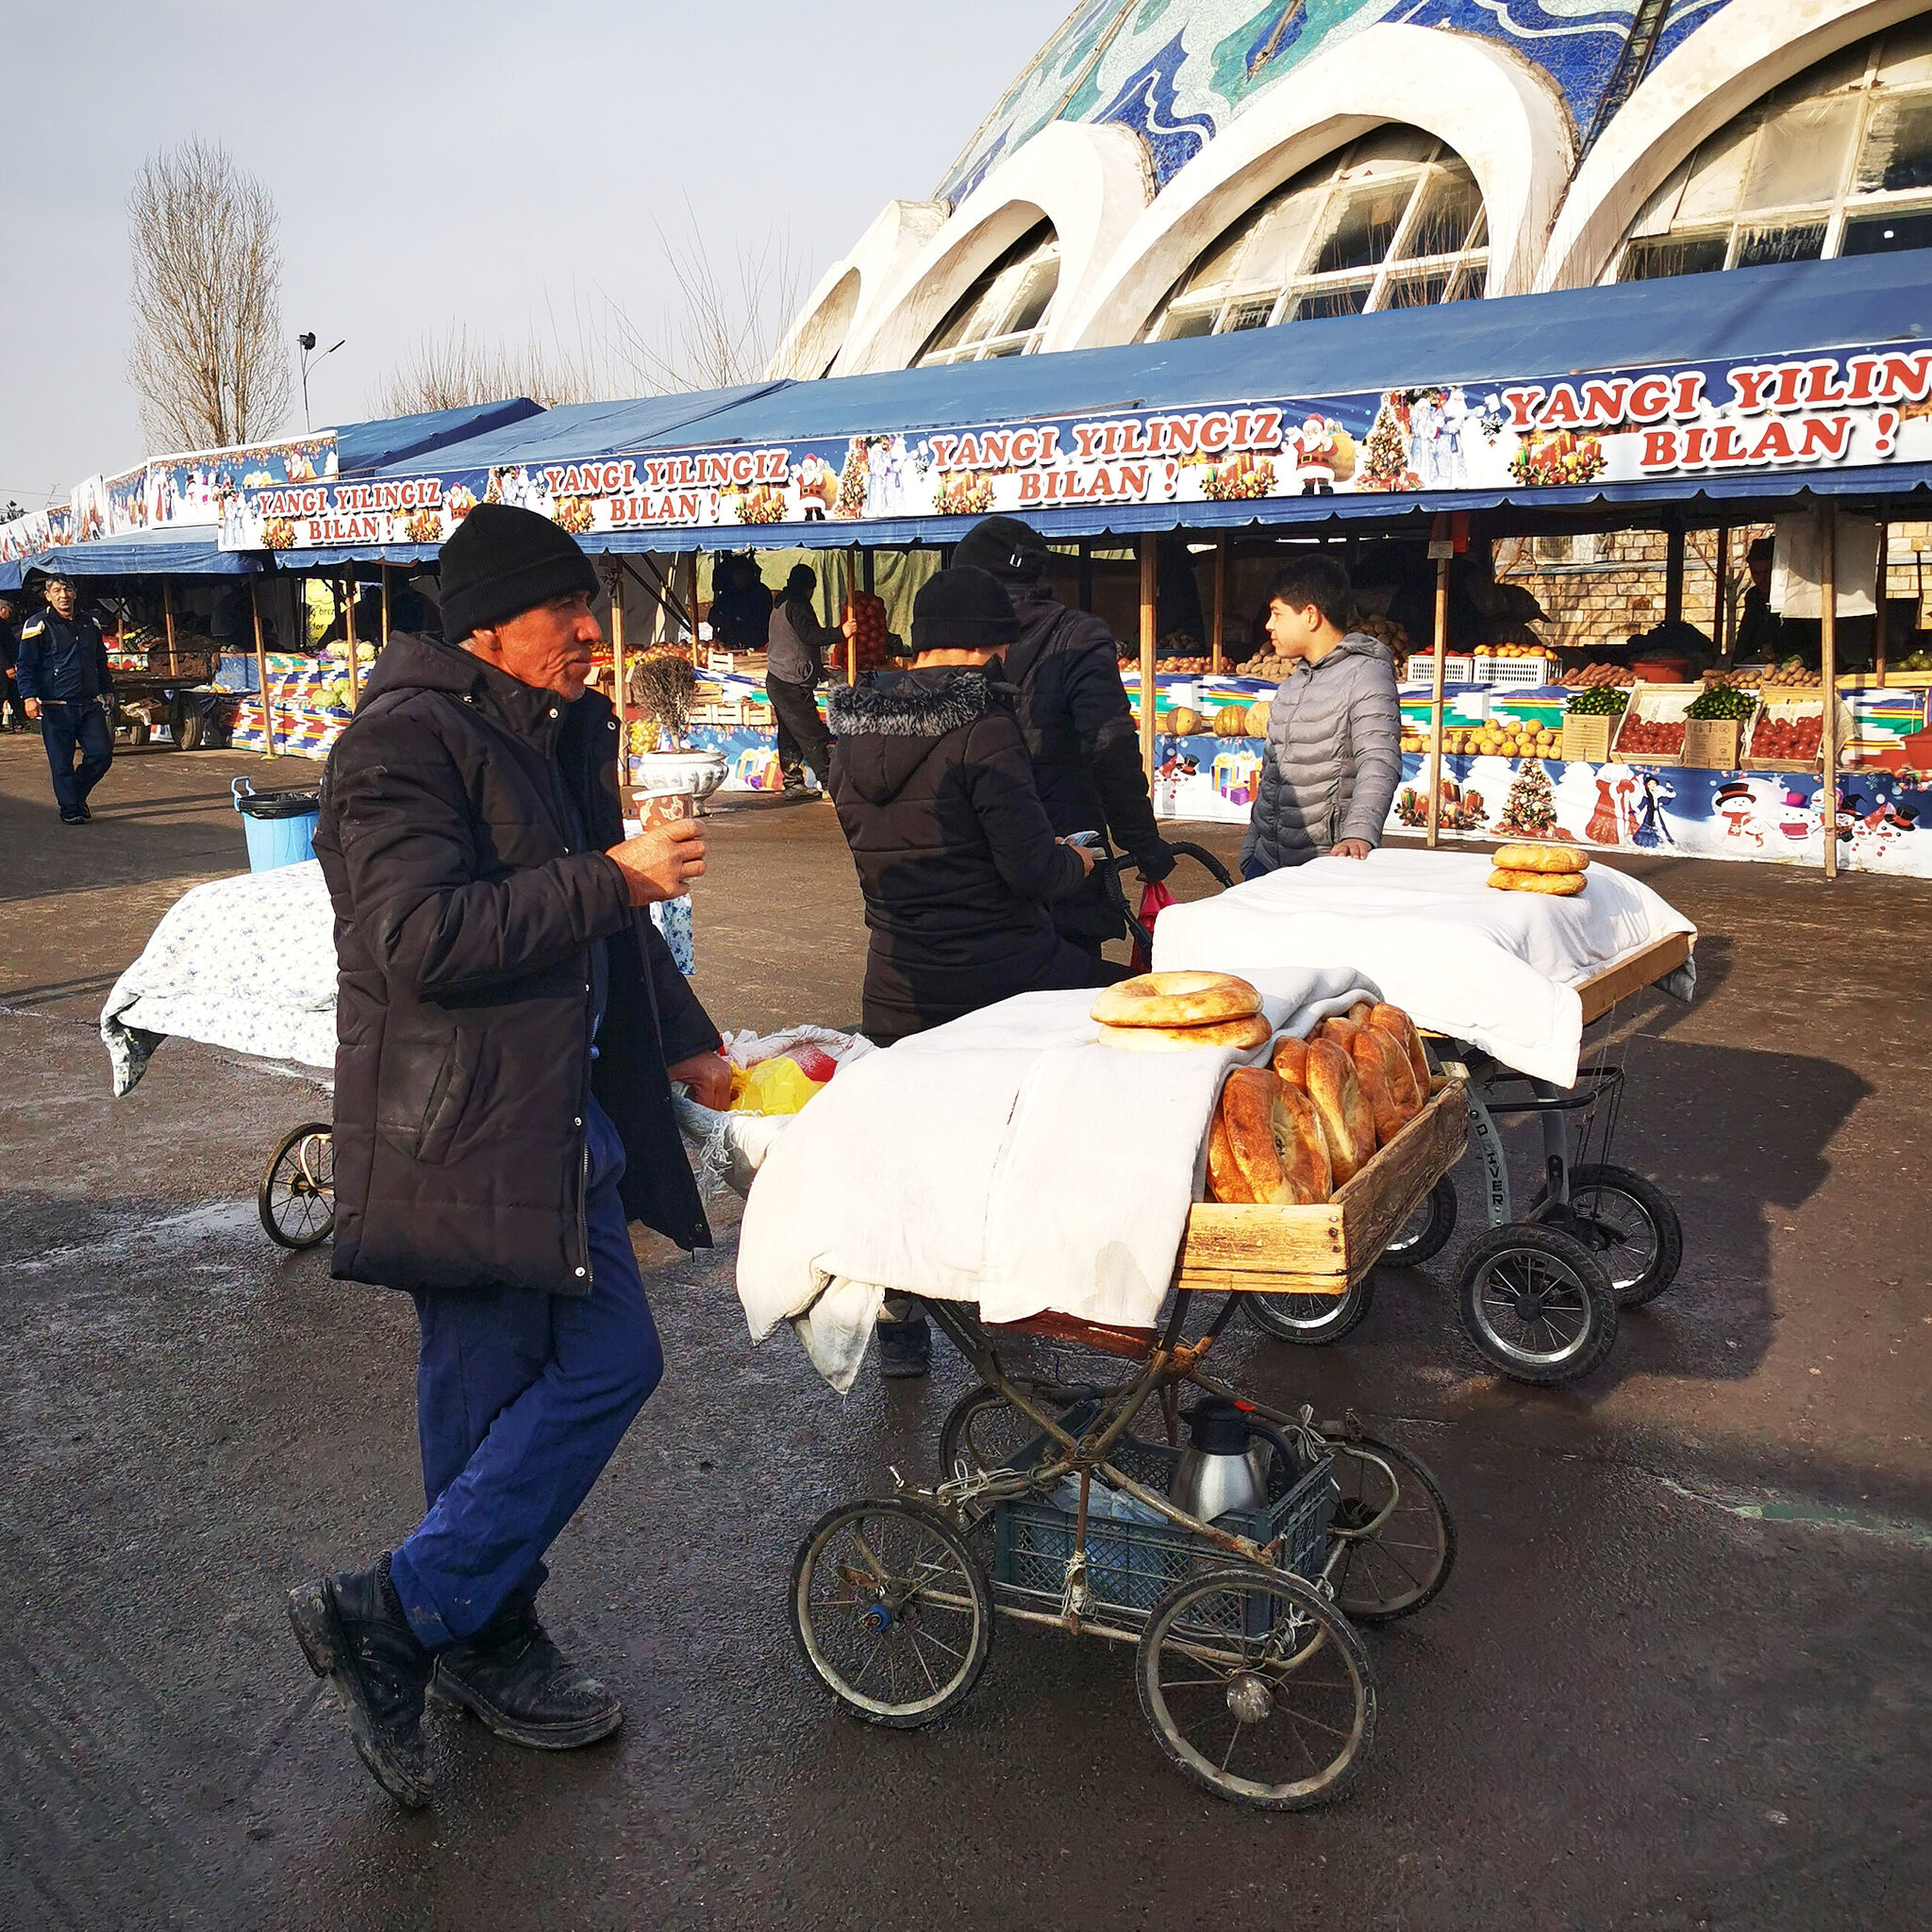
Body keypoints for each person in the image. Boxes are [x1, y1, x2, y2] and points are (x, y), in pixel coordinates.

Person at [291, 503, 733, 1808]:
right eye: (566, 610)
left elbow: (605, 922)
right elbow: (418, 937)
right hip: (461, 1128)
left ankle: (414, 1612)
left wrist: (692, 1043)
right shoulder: (398, 744)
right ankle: (464, 1626)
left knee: (602, 1363)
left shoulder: (546, 736)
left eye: (592, 606)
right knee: (491, 1387)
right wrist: (617, 877)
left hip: (556, 1124)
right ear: (488, 624)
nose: (595, 631)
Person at [826, 565, 1096, 1376]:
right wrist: (1076, 865)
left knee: (907, 1146)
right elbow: (1025, 867)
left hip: (898, 980)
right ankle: (1016, 1293)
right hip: (1002, 975)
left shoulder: (851, 727)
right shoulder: (984, 725)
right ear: (993, 649)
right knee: (1020, 1130)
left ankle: (902, 1316)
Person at [951, 515, 1172, 977]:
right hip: (1070, 856)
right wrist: (1141, 841)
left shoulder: (950, 643)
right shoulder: (1079, 635)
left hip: (976, 864)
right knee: (1068, 1011)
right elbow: (1110, 747)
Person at [1241, 554, 1400, 877]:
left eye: (1277, 613)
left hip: (1327, 866)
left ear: (1311, 616)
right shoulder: (1289, 687)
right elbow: (1271, 779)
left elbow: (1379, 761)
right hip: (1267, 863)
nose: (1268, 625)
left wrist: (1359, 833)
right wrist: (1251, 852)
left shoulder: (1366, 675)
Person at [16, 573, 115, 824]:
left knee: (101, 755)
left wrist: (107, 689)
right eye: (57, 591)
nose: (64, 595)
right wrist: (28, 696)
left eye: (68, 590)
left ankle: (75, 795)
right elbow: (26, 665)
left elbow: (100, 661)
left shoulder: (89, 623)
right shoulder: (37, 624)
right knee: (61, 762)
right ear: (48, 596)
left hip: (90, 703)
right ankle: (70, 808)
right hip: (56, 706)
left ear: (75, 593)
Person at [765, 562, 838, 793]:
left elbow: (794, 641)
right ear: (809, 587)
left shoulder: (782, 602)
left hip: (779, 678)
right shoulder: (797, 605)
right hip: (789, 682)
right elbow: (810, 635)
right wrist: (841, 632)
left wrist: (817, 669)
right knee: (811, 733)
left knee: (790, 734)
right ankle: (829, 783)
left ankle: (793, 783)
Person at [708, 553, 773, 651]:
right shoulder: (728, 594)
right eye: (735, 575)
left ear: (748, 573)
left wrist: (738, 619)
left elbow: (762, 622)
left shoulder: (760, 593)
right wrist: (724, 618)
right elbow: (712, 618)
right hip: (728, 644)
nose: (737, 578)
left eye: (740, 574)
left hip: (754, 646)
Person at [1735, 536, 1782, 662]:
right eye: (1756, 574)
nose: (1762, 579)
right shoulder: (1753, 597)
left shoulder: (1790, 596)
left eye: (1766, 572)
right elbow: (1745, 637)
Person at [0, 593, 24, 731]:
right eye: (9, 611)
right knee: (2, 693)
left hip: (8, 665)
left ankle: (21, 719)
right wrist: (7, 667)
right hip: (3, 667)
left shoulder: (4, 625)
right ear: (3, 609)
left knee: (13, 693)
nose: (11, 615)